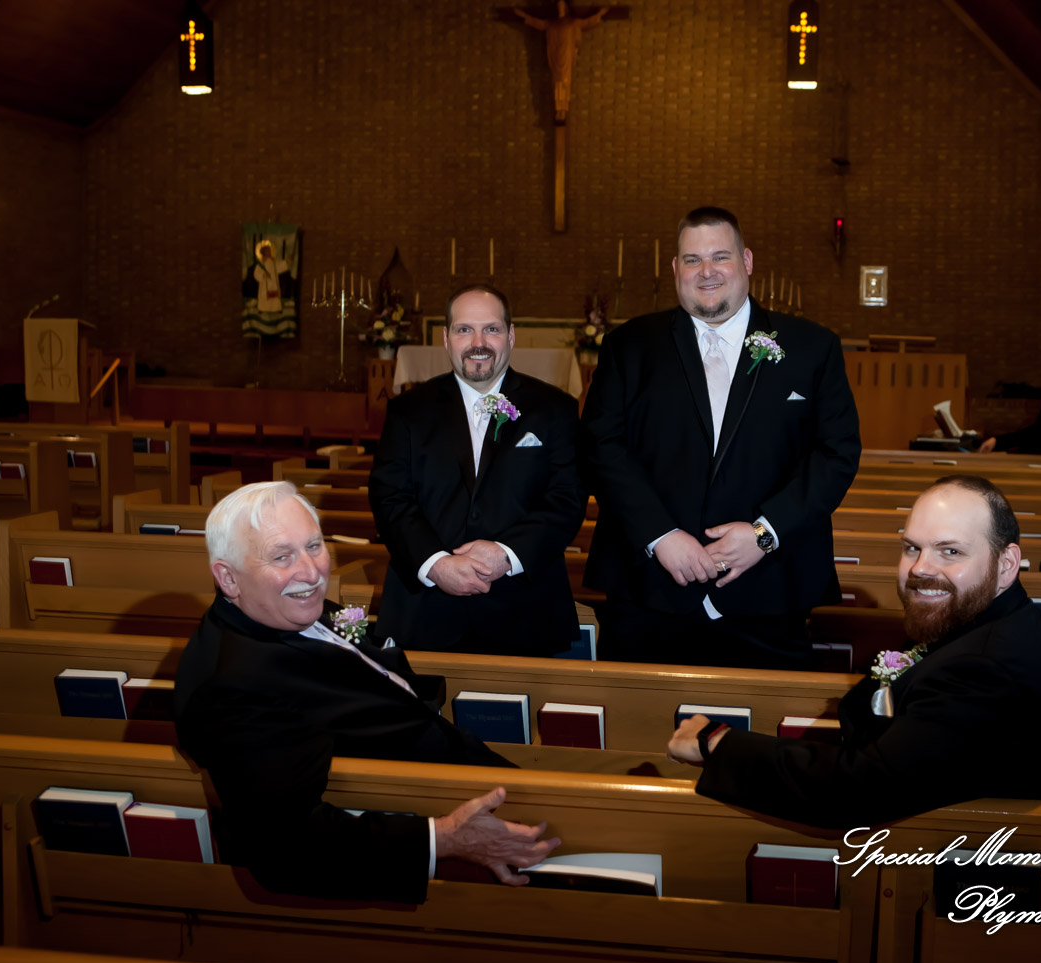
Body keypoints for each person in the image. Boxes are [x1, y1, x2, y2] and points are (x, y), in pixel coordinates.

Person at [174, 481, 559, 902]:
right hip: (438, 834)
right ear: (228, 577)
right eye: (281, 556)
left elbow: (364, 653)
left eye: (314, 546)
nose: (311, 572)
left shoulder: (297, 609)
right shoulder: (234, 686)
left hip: (458, 757)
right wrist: (445, 839)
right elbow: (282, 850)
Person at [667, 475, 1041, 829]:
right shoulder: (983, 620)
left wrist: (718, 742)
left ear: (1007, 563)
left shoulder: (986, 664)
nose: (921, 567)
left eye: (950, 551)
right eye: (911, 548)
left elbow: (859, 790)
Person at [579, 206, 862, 668]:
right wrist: (660, 535)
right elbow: (600, 447)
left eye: (720, 257)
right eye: (692, 260)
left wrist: (765, 534)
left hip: (770, 590)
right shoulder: (629, 347)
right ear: (675, 269)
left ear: (746, 261)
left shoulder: (812, 347)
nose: (706, 272)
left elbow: (836, 453)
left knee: (764, 733)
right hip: (650, 589)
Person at [370, 284, 587, 656]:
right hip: (424, 611)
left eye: (491, 329)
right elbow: (390, 497)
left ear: (511, 335)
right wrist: (436, 564)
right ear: (446, 338)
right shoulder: (408, 411)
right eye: (464, 329)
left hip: (526, 613)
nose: (478, 342)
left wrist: (506, 554)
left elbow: (567, 498)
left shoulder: (554, 409)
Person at [514, 2, 609, 121]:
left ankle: (564, 108)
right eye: (558, 6)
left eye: (562, 6)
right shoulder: (551, 24)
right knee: (556, 83)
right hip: (555, 57)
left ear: (566, 8)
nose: (560, 9)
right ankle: (558, 108)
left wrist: (600, 14)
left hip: (567, 57)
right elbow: (538, 23)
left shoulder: (573, 23)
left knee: (565, 82)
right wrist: (524, 16)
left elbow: (587, 22)